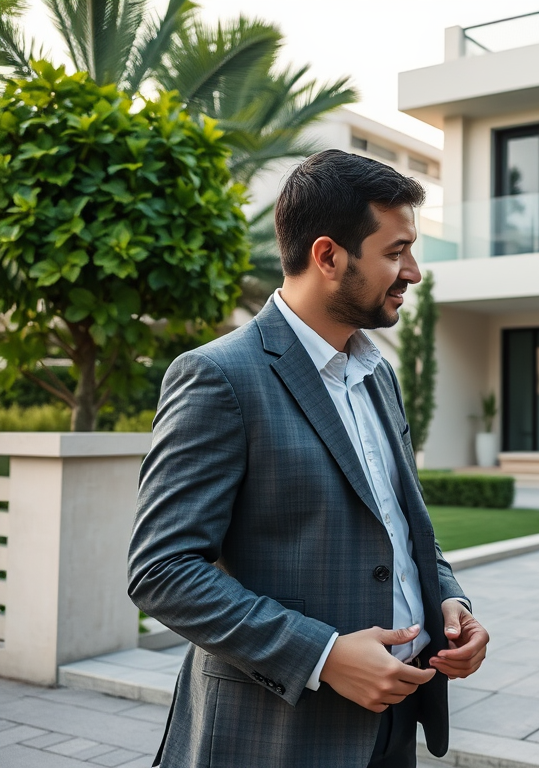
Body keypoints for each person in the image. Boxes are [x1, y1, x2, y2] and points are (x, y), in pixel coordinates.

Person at [128, 149, 488, 768]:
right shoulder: (218, 377)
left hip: (394, 727)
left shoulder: (378, 375)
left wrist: (450, 604)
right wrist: (322, 655)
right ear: (328, 256)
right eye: (396, 252)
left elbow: (404, 530)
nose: (414, 273)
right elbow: (162, 571)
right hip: (270, 737)